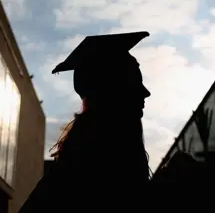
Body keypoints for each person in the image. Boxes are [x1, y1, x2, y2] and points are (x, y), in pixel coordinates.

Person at [19, 32, 152, 212]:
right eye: (135, 82)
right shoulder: (86, 173)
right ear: (110, 91)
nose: (145, 92)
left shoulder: (71, 167)